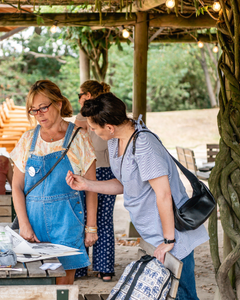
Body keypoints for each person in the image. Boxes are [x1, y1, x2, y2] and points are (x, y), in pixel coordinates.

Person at [65, 93, 209, 299]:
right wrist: (87, 184)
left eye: (94, 128)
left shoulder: (144, 145)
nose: (91, 132)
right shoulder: (116, 141)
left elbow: (164, 194)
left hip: (173, 236)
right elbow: (125, 184)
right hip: (154, 234)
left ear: (109, 126)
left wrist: (169, 239)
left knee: (184, 294)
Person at [10, 79, 98, 285]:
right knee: (35, 285)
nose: (39, 114)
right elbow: (17, 186)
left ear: (58, 103)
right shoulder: (26, 140)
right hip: (32, 223)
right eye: (33, 110)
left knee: (63, 287)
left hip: (67, 223)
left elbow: (92, 187)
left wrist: (91, 227)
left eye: (43, 107)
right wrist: (23, 224)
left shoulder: (80, 138)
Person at [75, 80, 117, 282]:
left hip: (91, 171)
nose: (78, 99)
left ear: (88, 96)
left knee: (83, 219)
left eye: (79, 95)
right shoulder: (107, 110)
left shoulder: (85, 115)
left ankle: (81, 267)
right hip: (107, 171)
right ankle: (105, 268)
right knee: (104, 220)